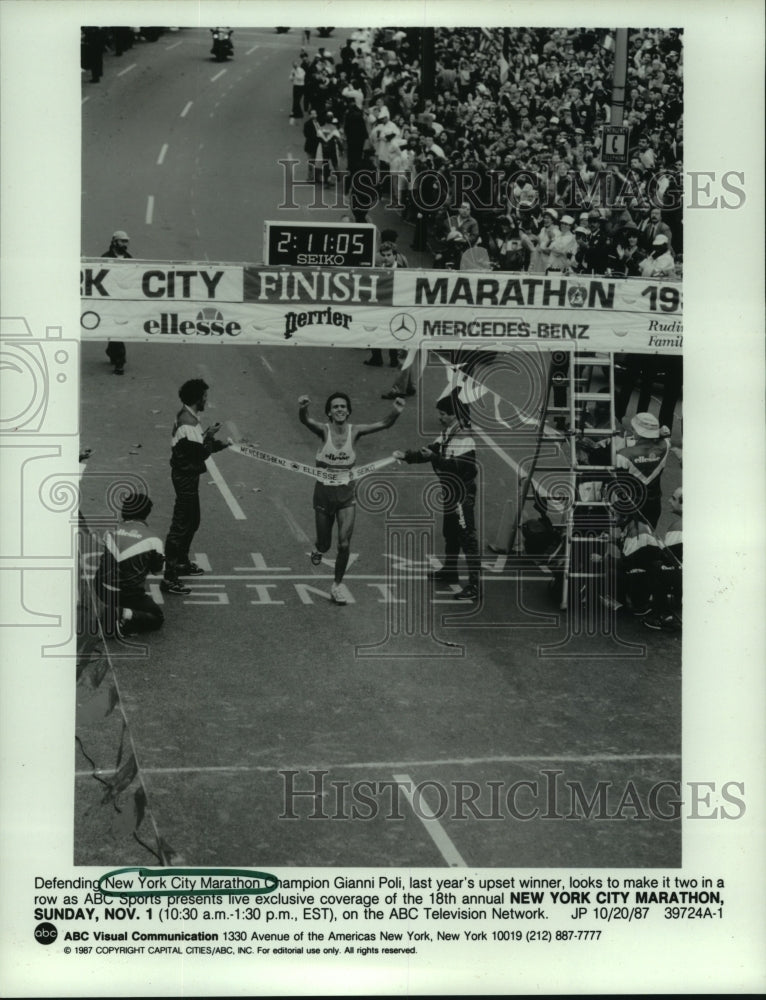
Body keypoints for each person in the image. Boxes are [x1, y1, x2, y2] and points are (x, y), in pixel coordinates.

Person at [298, 391, 405, 605]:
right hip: (323, 496)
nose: (339, 409)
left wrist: (396, 411)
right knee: (325, 544)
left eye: (343, 406)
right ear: (329, 412)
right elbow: (306, 420)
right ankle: (319, 548)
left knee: (344, 544)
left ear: (348, 411)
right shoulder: (323, 430)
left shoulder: (355, 431)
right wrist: (303, 407)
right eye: (335, 407)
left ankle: (337, 586)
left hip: (346, 498)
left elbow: (384, 424)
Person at [394, 391, 481, 602]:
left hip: (461, 495)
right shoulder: (448, 433)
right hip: (450, 492)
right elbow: (430, 451)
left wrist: (435, 458)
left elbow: (461, 468)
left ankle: (475, 585)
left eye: (443, 414)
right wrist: (406, 456)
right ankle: (450, 570)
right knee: (450, 533)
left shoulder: (464, 438)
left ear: (454, 415)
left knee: (467, 537)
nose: (439, 417)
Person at [162, 379, 229, 595]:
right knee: (181, 525)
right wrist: (212, 437)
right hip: (185, 477)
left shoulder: (188, 417)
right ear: (197, 398)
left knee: (192, 520)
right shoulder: (188, 423)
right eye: (205, 396)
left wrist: (213, 439)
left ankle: (181, 561)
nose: (206, 400)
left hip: (187, 473)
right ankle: (169, 576)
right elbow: (200, 452)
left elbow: (196, 444)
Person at [93, 491, 164, 636]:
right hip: (129, 594)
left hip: (101, 588)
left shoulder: (110, 532)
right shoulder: (154, 540)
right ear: (146, 514)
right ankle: (122, 614)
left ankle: (114, 611)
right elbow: (157, 571)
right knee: (157, 617)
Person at [614, 411, 671, 529]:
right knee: (649, 534)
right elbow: (665, 436)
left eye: (633, 429)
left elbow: (618, 484)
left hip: (631, 505)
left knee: (628, 536)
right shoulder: (665, 446)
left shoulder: (623, 455)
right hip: (654, 505)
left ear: (637, 432)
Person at [102, 230, 132, 375]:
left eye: (126, 241)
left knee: (118, 329)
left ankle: (119, 360)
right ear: (114, 242)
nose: (125, 244)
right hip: (109, 299)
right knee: (113, 329)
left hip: (123, 300)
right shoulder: (105, 258)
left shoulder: (129, 259)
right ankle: (113, 353)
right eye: (122, 241)